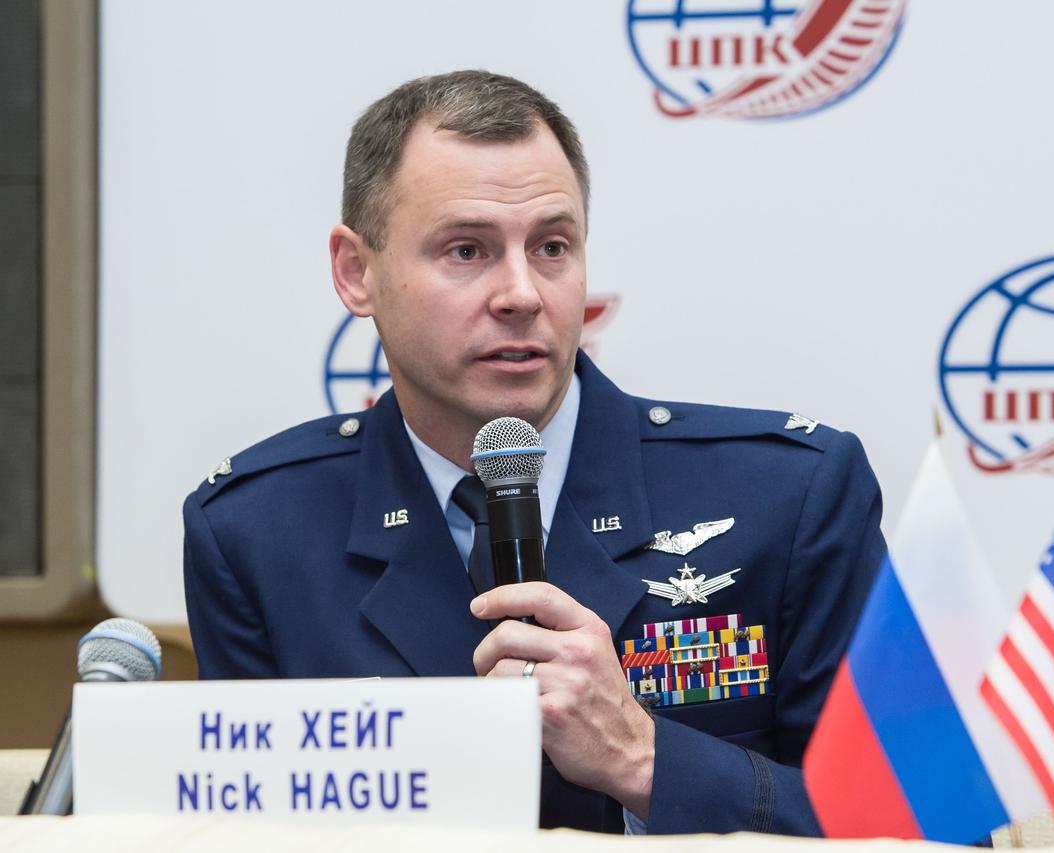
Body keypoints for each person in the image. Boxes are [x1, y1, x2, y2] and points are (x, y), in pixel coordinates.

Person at [183, 70, 887, 835]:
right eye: (466, 250)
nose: (522, 292)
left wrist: (645, 759)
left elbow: (927, 830)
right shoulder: (256, 535)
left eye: (552, 246)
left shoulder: (790, 497)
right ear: (358, 271)